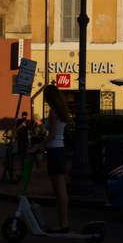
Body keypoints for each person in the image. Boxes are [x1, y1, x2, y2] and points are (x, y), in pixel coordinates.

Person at [40, 85, 70, 233]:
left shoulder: (53, 112)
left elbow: (51, 135)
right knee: (60, 189)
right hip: (60, 151)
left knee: (59, 190)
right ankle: (63, 222)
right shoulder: (61, 111)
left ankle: (63, 224)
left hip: (55, 152)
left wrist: (38, 146)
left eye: (45, 96)